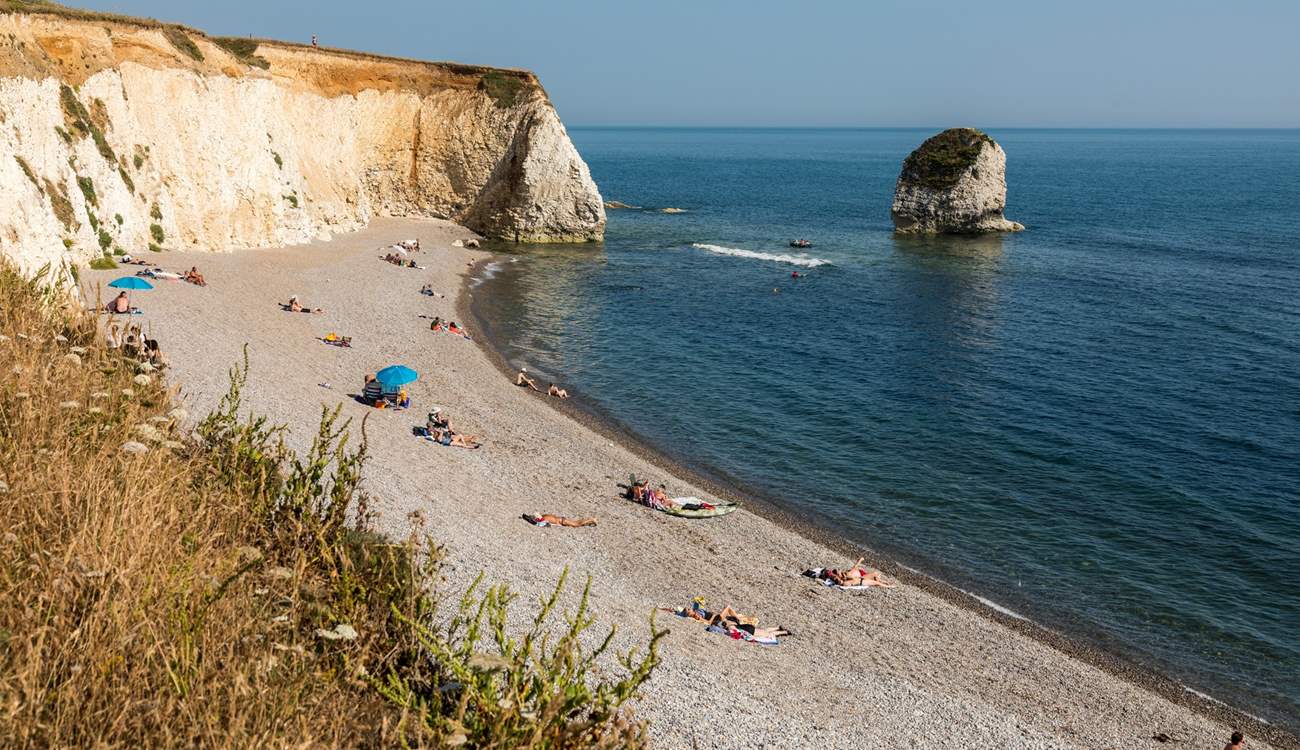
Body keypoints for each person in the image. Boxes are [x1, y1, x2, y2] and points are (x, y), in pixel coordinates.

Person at [820, 557, 896, 588]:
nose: (839, 571)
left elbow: (840, 581)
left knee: (876, 579)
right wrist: (860, 560)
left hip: (861, 578)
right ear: (837, 575)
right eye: (838, 571)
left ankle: (887, 583)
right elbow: (854, 568)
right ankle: (888, 585)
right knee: (876, 578)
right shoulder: (845, 576)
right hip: (861, 579)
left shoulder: (844, 576)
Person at [522, 513, 597, 528]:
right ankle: (589, 522)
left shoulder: (543, 519)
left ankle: (591, 519)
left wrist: (529, 520)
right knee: (576, 524)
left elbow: (539, 524)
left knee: (576, 524)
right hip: (561, 520)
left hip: (562, 521)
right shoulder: (544, 516)